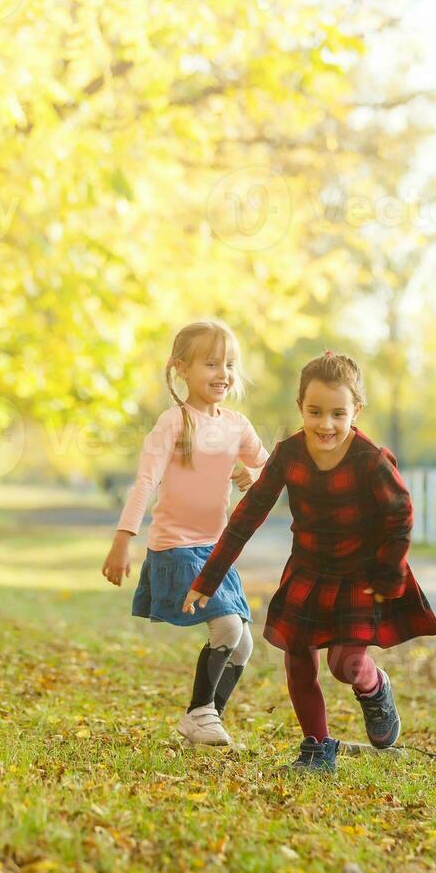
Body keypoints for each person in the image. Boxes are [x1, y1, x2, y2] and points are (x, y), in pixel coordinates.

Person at [183, 351, 436, 773]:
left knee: (346, 664)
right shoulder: (288, 454)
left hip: (361, 572)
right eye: (315, 411)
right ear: (300, 407)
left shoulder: (370, 459)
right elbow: (248, 515)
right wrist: (208, 578)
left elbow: (399, 514)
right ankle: (317, 749)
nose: (326, 424)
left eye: (338, 413)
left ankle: (375, 689)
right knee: (297, 656)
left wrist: (389, 569)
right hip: (308, 569)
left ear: (355, 410)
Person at [102, 319, 268, 746]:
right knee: (228, 629)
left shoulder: (236, 425)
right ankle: (199, 713)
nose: (223, 374)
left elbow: (270, 468)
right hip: (176, 547)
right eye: (211, 363)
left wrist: (250, 474)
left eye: (230, 364)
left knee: (244, 643)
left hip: (216, 550)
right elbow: (145, 481)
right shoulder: (174, 423)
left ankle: (206, 718)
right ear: (181, 368)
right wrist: (124, 538)